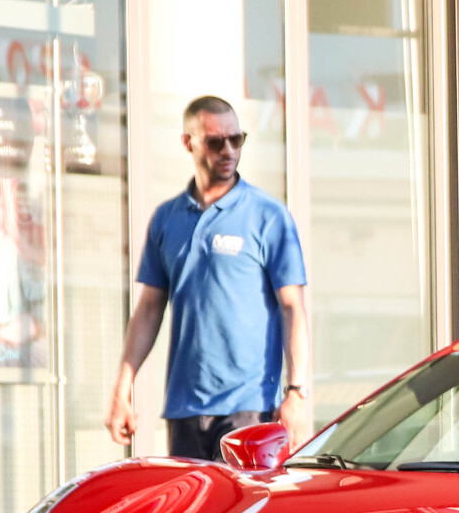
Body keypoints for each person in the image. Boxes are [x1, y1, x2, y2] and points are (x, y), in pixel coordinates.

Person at [107, 96, 312, 460]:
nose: (229, 150)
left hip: (249, 410)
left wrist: (295, 392)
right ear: (189, 143)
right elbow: (150, 309)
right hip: (184, 410)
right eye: (216, 142)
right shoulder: (166, 219)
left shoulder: (268, 216)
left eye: (237, 139)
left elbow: (292, 307)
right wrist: (124, 386)